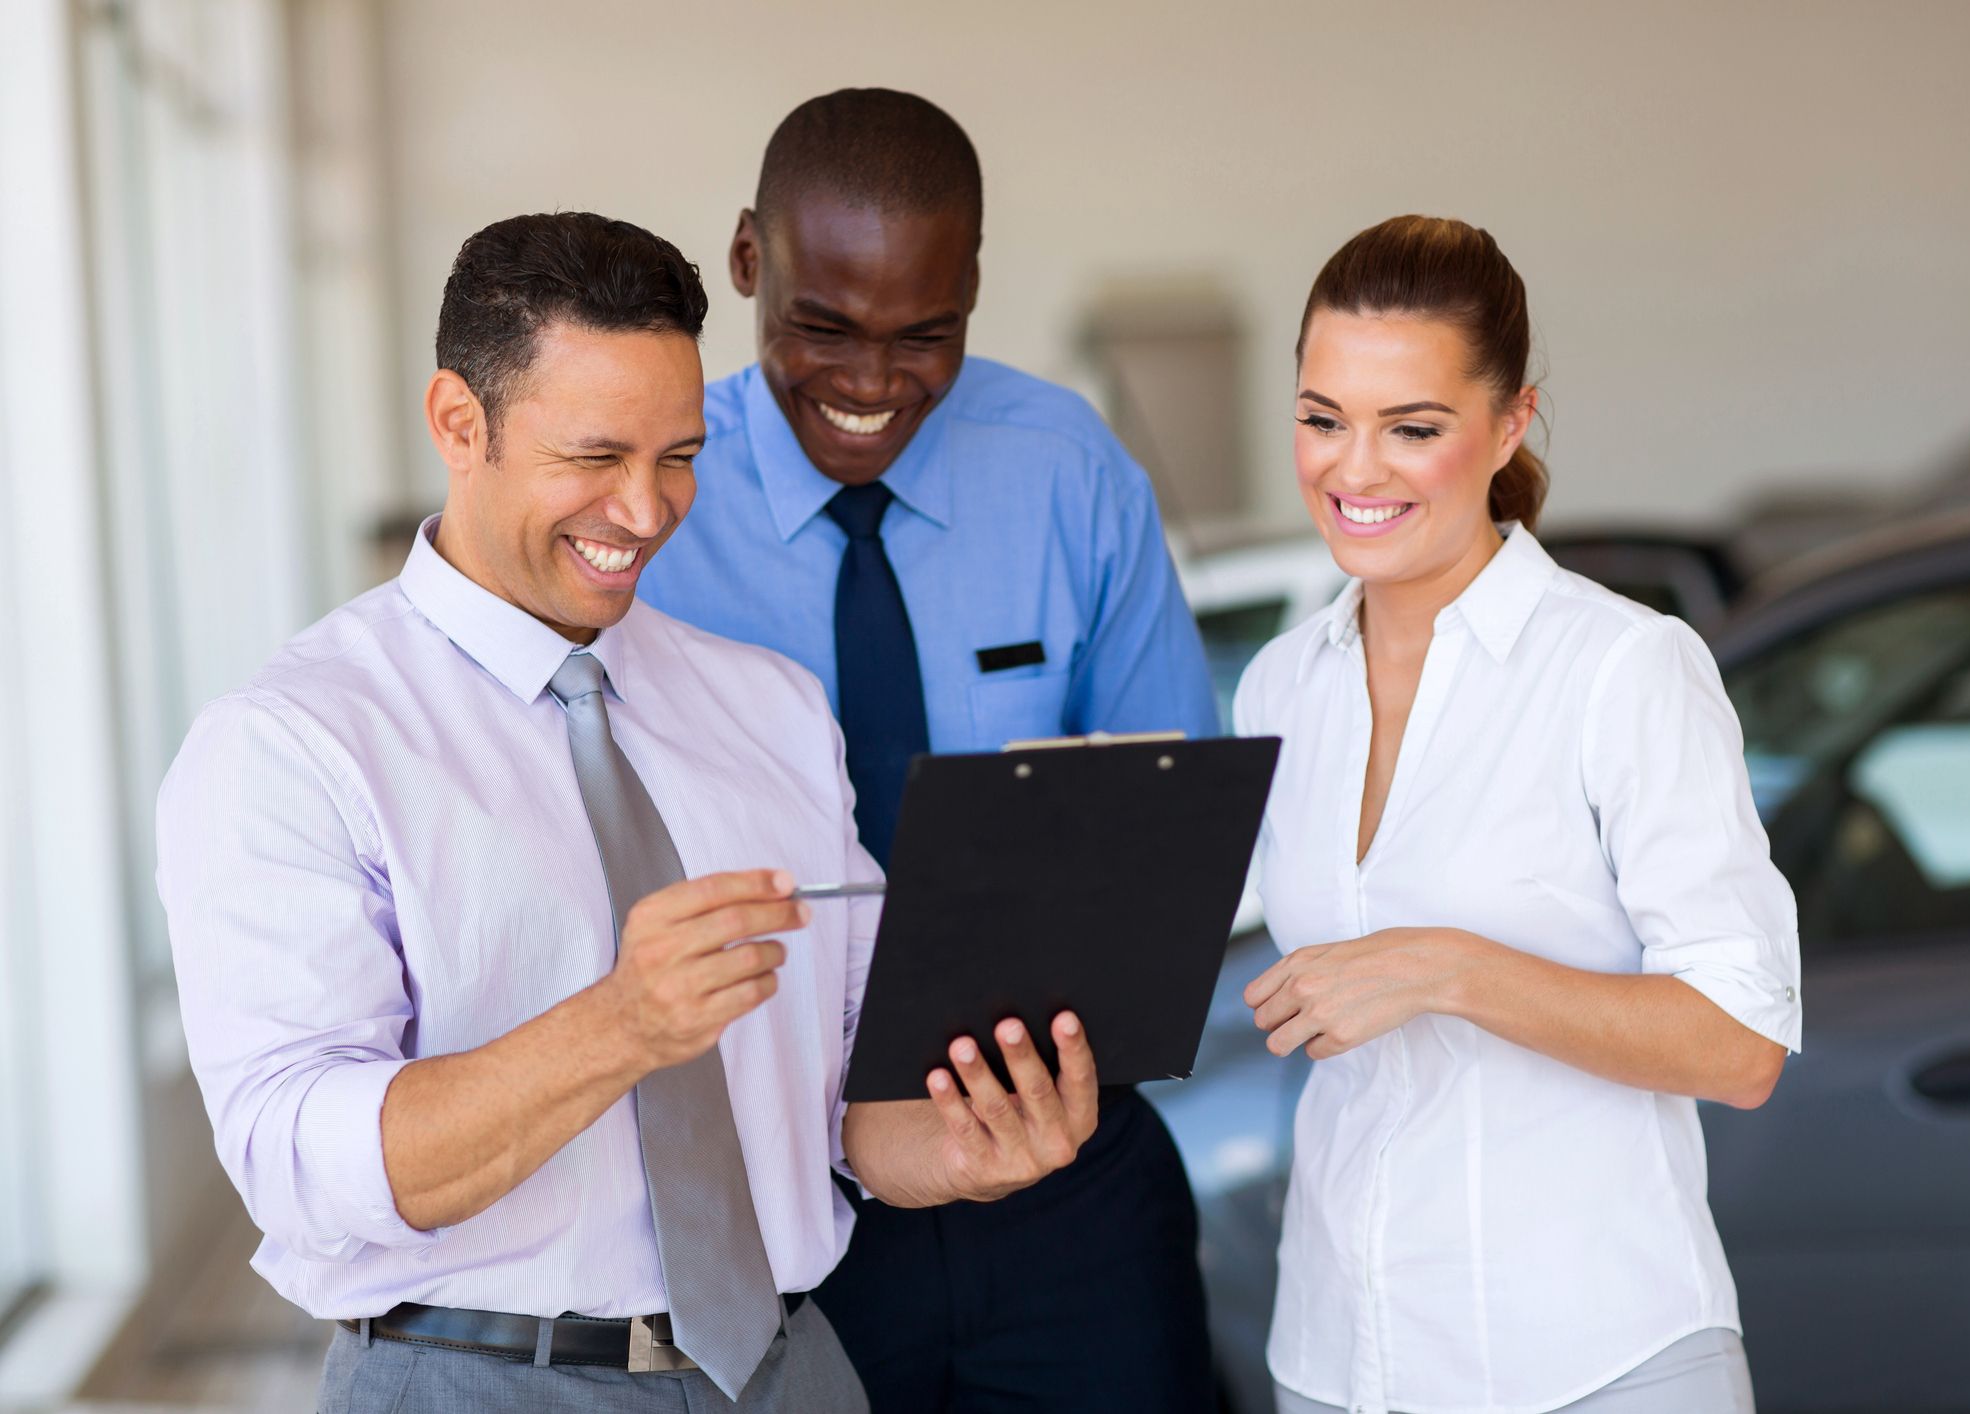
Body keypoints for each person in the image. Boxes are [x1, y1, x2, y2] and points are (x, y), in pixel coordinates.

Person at [156, 210, 1103, 1414]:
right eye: (596, 456)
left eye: (679, 455)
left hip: (788, 1369)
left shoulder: (768, 707)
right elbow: (303, 1162)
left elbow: (846, 1099)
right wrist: (618, 1024)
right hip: (473, 1379)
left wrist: (961, 1153)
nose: (647, 510)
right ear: (459, 422)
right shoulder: (293, 744)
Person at [639, 89, 1219, 1414]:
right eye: (821, 326)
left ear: (970, 290)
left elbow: (1167, 816)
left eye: (925, 334)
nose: (867, 381)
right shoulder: (657, 502)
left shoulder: (1067, 470)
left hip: (1061, 1162)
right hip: (786, 1199)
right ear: (746, 262)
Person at [1235, 215, 1801, 1414]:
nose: (1356, 468)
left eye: (1414, 428)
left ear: (1508, 423)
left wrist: (1450, 970)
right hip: (1341, 1359)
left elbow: (1742, 1044)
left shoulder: (1624, 670)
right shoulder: (1281, 685)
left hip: (1596, 1361)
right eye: (1323, 416)